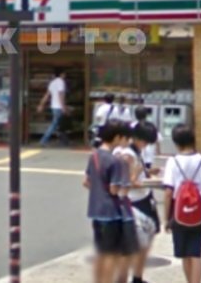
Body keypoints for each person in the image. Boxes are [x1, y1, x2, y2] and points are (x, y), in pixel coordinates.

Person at [162, 124, 201, 283]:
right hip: (199, 210)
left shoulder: (173, 162)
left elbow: (168, 192)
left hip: (179, 212)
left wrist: (166, 218)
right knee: (196, 253)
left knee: (184, 254)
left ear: (176, 142)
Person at [83, 121, 124, 283]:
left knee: (100, 252)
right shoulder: (114, 161)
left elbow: (86, 182)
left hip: (95, 210)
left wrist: (98, 189)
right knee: (111, 255)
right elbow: (114, 190)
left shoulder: (94, 156)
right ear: (116, 137)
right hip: (111, 212)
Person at [126, 121, 161, 283]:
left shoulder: (136, 151)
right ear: (136, 137)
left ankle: (138, 277)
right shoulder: (127, 154)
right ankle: (134, 277)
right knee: (139, 242)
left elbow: (137, 174)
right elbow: (126, 181)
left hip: (145, 199)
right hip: (134, 201)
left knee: (147, 239)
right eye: (145, 141)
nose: (146, 145)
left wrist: (149, 172)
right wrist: (146, 182)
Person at [112, 122, 140, 283]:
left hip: (109, 205)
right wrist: (136, 172)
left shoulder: (112, 153)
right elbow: (128, 181)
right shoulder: (127, 155)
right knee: (125, 251)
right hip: (123, 204)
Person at [37, 68, 67, 147]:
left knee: (59, 124)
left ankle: (64, 141)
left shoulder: (52, 83)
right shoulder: (61, 82)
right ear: (61, 74)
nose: (65, 75)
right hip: (58, 106)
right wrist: (63, 106)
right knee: (55, 124)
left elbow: (47, 95)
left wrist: (41, 104)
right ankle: (43, 140)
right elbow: (61, 95)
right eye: (64, 74)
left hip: (53, 106)